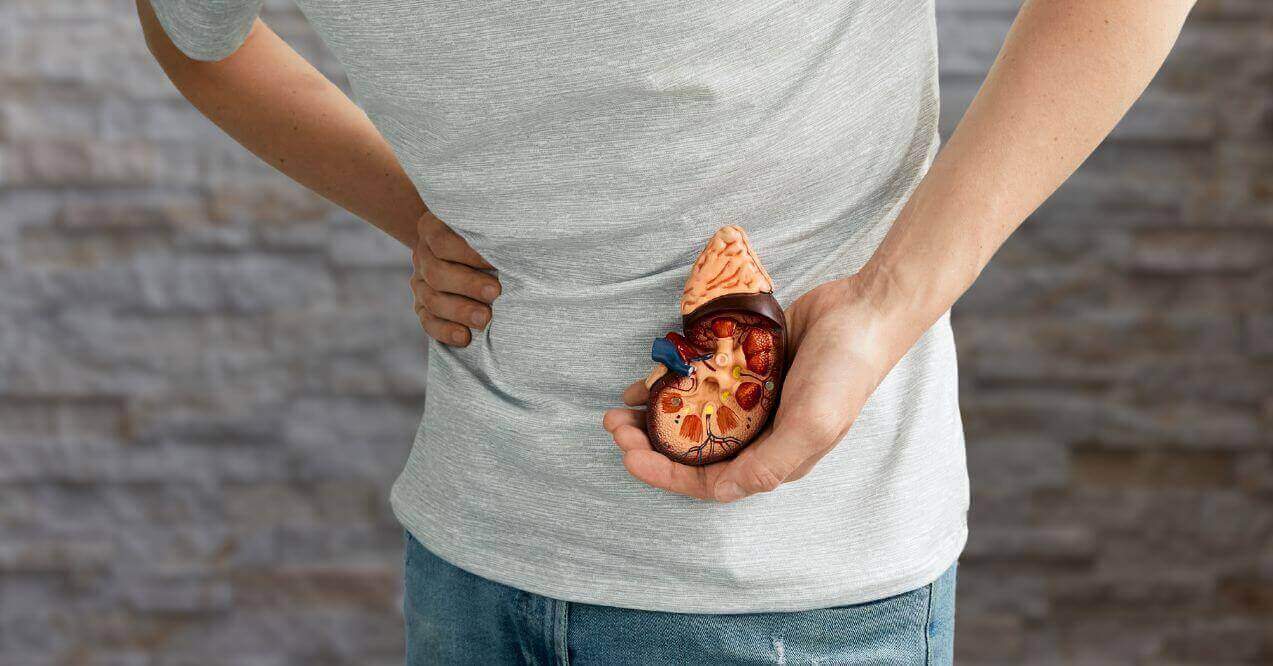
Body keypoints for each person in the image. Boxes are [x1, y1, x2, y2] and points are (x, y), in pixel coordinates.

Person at [136, 1, 1197, 663]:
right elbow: (195, 35)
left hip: (786, 586)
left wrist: (883, 307)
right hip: (475, 546)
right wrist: (409, 209)